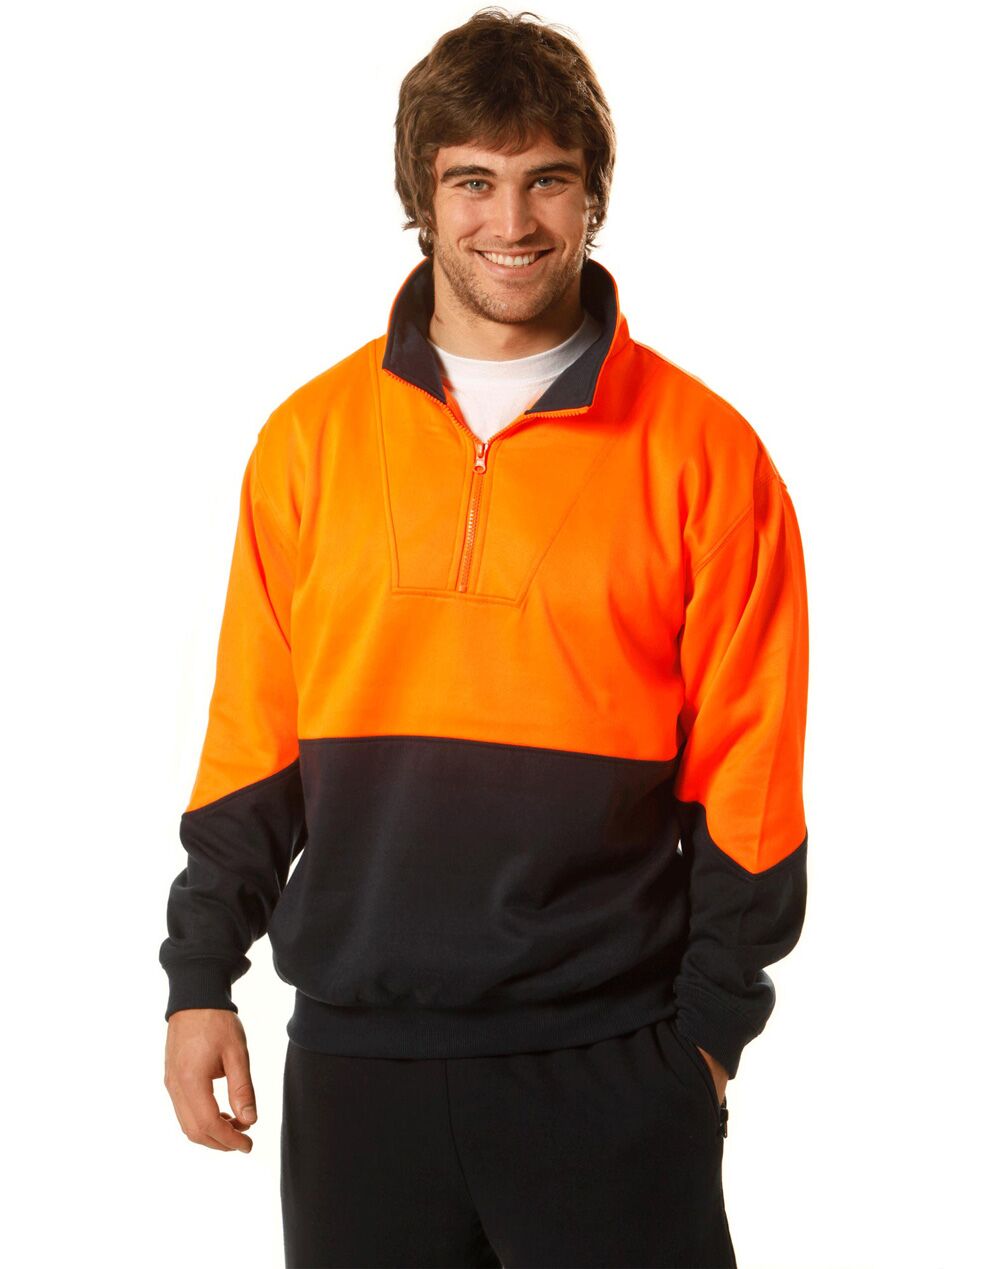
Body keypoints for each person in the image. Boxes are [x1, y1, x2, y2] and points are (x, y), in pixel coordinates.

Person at [160, 8, 809, 1267]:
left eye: (546, 179)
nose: (511, 221)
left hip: (612, 1064)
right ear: (421, 196)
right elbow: (252, 741)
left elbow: (753, 775)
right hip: (358, 1070)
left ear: (593, 195)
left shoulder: (707, 457)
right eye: (472, 180)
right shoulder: (309, 443)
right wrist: (199, 980)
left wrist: (708, 1043)